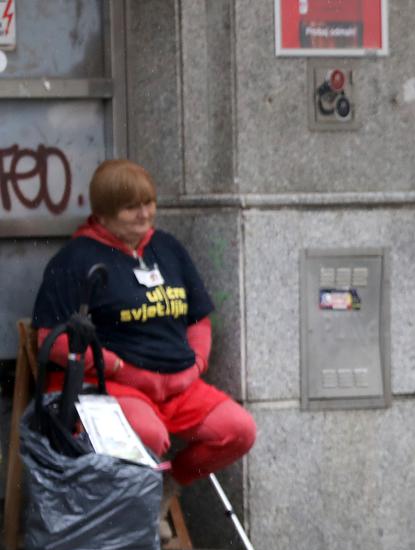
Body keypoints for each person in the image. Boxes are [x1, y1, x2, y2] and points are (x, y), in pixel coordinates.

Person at [32, 159, 256, 509]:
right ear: (103, 214)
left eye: (148, 203)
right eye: (130, 207)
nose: (143, 214)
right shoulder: (75, 259)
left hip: (179, 385)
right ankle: (135, 518)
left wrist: (197, 363)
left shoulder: (167, 248)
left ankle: (165, 487)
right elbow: (52, 338)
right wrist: (117, 368)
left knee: (238, 430)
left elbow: (198, 318)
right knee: (147, 434)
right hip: (116, 386)